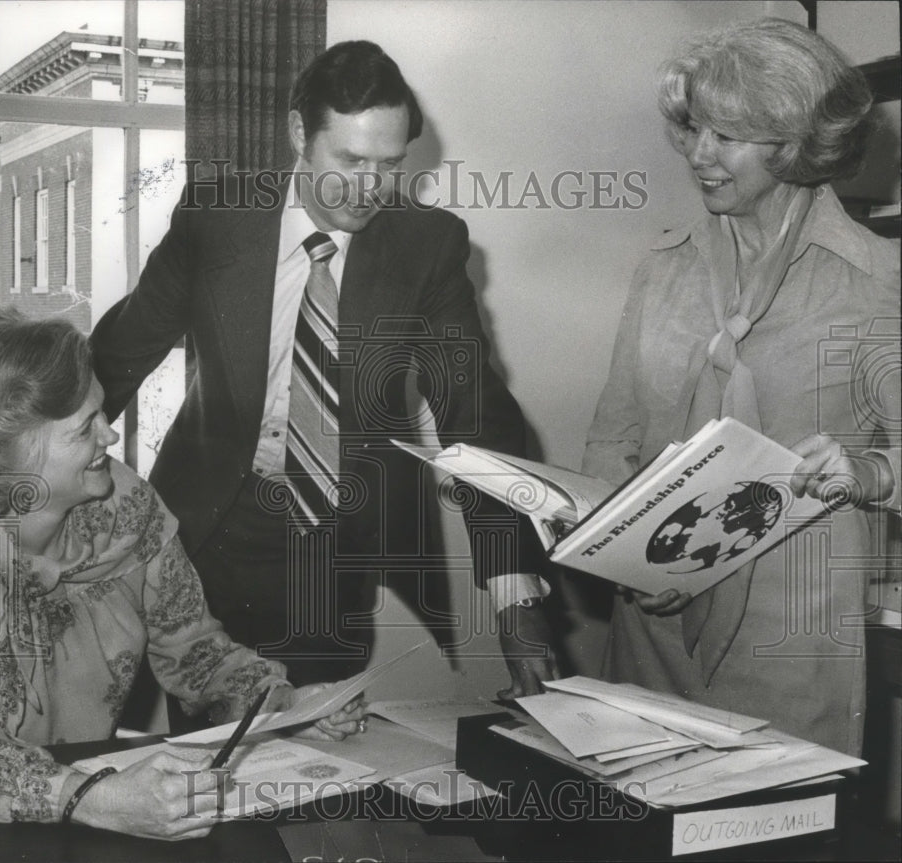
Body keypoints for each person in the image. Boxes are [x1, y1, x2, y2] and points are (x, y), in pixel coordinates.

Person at [90, 40, 556, 700]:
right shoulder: (216, 220)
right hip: (206, 534)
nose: (370, 188)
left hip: (333, 551)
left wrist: (513, 589)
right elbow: (116, 357)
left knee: (317, 765)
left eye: (389, 165)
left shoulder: (427, 247)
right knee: (208, 764)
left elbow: (473, 412)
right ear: (297, 134)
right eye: (351, 160)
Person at [0, 307, 363, 838]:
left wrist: (286, 704)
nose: (110, 436)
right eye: (84, 427)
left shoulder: (126, 509)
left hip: (104, 816)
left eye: (103, 413)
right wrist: (89, 796)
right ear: (9, 453)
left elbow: (196, 654)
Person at [583, 17, 899, 756]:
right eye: (694, 128)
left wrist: (873, 471)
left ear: (794, 142)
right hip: (653, 628)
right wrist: (623, 558)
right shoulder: (663, 267)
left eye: (727, 136)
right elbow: (613, 438)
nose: (698, 154)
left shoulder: (877, 281)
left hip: (791, 631)